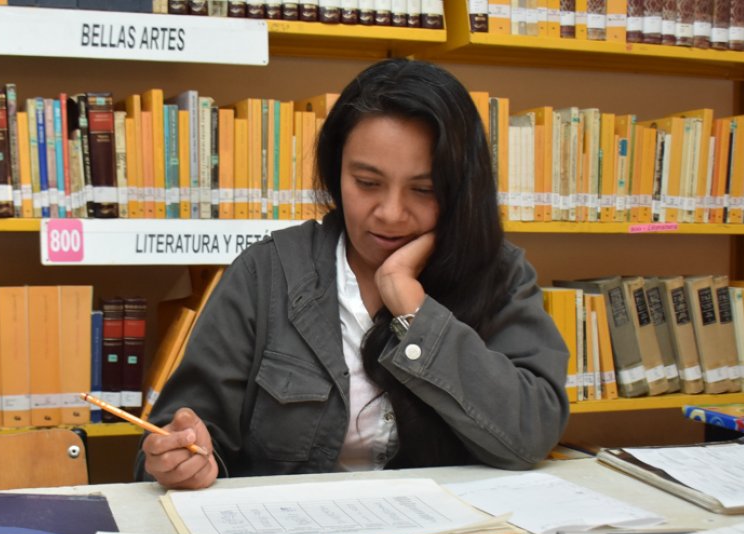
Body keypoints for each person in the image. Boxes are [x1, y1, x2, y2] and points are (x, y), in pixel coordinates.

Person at [137, 59, 570, 490]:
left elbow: (531, 435)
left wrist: (414, 312)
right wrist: (181, 459)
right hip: (294, 527)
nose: (391, 214)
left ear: (461, 190)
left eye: (424, 190)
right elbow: (176, 437)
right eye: (367, 182)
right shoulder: (265, 273)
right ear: (337, 172)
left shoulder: (499, 274)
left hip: (452, 528)